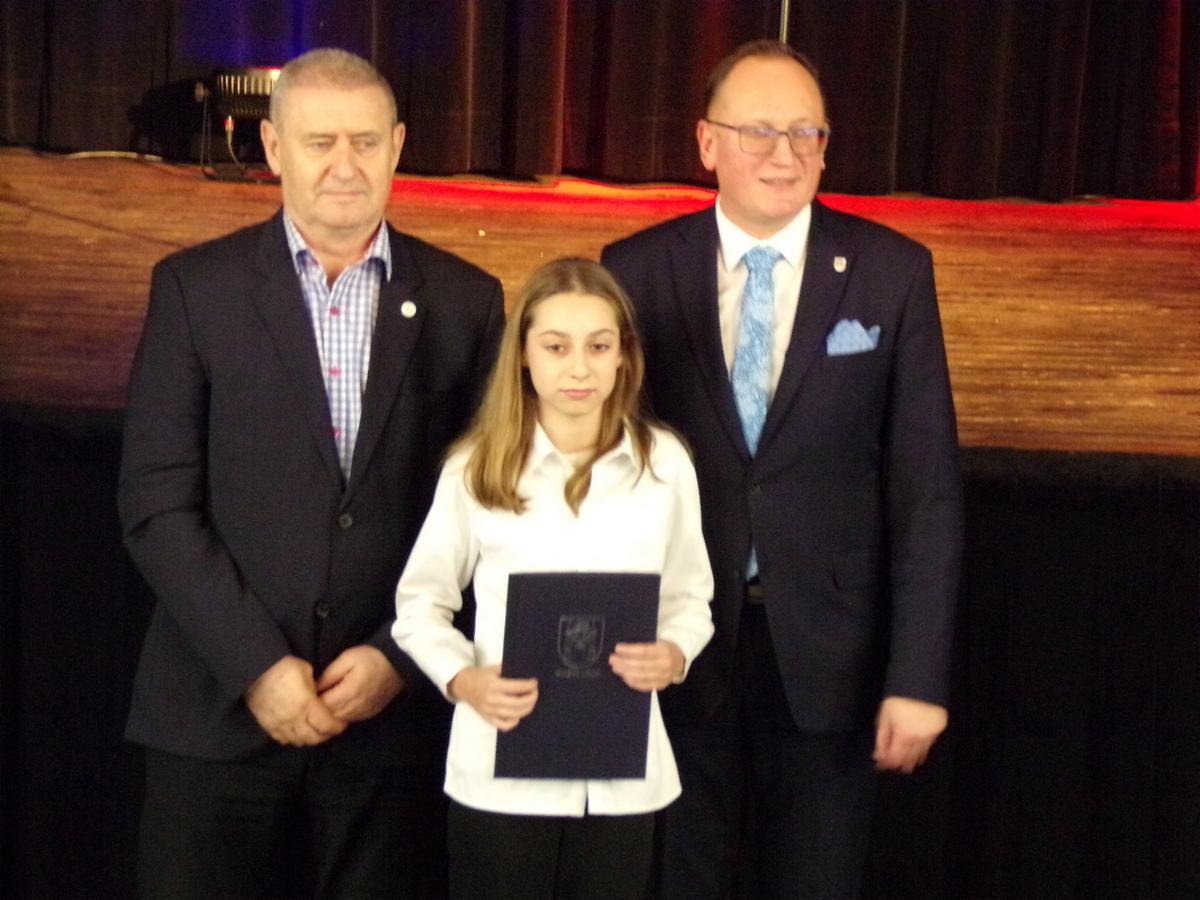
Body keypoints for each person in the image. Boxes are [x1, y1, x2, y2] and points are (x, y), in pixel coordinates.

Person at [117, 48, 504, 898]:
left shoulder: (467, 303)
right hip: (215, 712)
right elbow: (156, 505)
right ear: (272, 147)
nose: (343, 164)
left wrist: (400, 656)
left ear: (398, 146)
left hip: (388, 729)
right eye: (319, 141)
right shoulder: (194, 291)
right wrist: (258, 666)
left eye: (365, 141)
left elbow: (486, 514)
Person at [601, 39, 964, 899]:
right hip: (677, 649)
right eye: (758, 131)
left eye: (807, 133)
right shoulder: (634, 271)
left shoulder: (891, 273)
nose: (785, 154)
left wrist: (918, 677)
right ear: (706, 143)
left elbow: (926, 493)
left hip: (830, 658)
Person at [391, 257, 714, 899]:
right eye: (556, 347)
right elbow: (420, 604)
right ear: (523, 355)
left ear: (624, 356)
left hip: (622, 777)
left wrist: (676, 652)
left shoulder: (665, 466)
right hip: (501, 771)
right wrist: (464, 679)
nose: (579, 369)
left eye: (599, 346)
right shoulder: (477, 469)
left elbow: (690, 595)